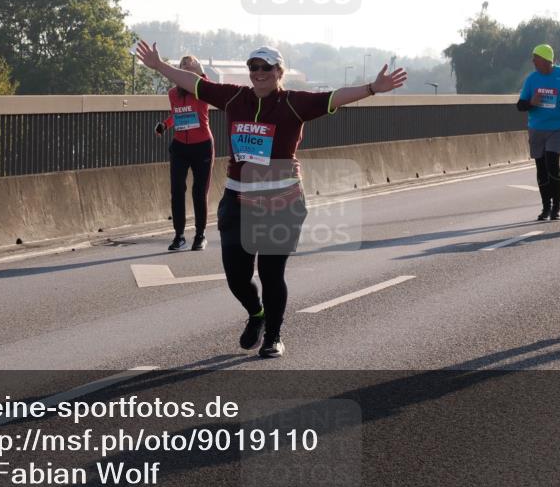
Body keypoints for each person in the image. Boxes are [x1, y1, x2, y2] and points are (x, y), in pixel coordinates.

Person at [136, 42, 406, 358]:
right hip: (237, 198)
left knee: (270, 272)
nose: (260, 73)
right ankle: (257, 314)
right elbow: (195, 83)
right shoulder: (234, 97)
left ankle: (274, 336)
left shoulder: (293, 103)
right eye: (254, 67)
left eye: (266, 68)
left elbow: (334, 97)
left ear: (279, 72)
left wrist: (373, 87)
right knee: (237, 276)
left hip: (281, 200)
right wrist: (159, 66)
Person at [155, 56, 214, 251]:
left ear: (198, 70)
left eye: (191, 64)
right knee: (177, 191)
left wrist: (199, 73)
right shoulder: (173, 93)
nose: (186, 66)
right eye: (182, 65)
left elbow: (205, 82)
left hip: (202, 146)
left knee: (199, 192)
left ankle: (200, 235)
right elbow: (176, 115)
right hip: (180, 146)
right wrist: (164, 125)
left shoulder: (203, 88)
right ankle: (179, 235)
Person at [516, 43, 560, 221]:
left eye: (536, 58)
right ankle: (546, 207)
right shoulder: (532, 79)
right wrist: (531, 102)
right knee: (541, 167)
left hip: (557, 127)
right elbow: (520, 105)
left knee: (552, 163)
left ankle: (557, 206)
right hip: (537, 128)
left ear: (547, 60)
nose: (533, 61)